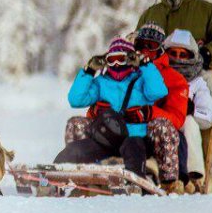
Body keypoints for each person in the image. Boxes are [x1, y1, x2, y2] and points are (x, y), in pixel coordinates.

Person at [56, 37, 168, 180]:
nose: (116, 64)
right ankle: (55, 175)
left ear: (130, 59)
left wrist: (145, 65)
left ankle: (135, 182)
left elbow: (158, 91)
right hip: (107, 140)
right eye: (111, 59)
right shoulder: (101, 82)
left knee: (132, 145)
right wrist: (89, 71)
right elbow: (75, 99)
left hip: (135, 138)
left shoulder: (140, 80)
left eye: (121, 59)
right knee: (77, 149)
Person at [130, 22, 187, 192]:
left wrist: (149, 113)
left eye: (152, 46)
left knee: (163, 127)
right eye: (141, 45)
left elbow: (177, 119)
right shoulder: (125, 71)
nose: (145, 51)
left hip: (154, 136)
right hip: (126, 130)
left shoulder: (174, 79)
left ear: (161, 49)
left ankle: (169, 184)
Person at [164, 29, 212, 193]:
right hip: (162, 121)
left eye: (182, 54)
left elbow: (208, 117)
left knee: (189, 123)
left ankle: (195, 176)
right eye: (173, 53)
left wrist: (192, 109)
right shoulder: (158, 73)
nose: (177, 58)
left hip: (184, 125)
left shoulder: (198, 80)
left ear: (191, 56)